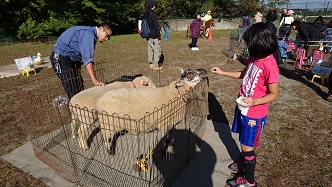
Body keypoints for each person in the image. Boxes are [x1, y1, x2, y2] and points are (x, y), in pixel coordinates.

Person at [211, 22, 279, 187]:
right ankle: (242, 162)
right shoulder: (253, 58)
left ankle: (249, 181)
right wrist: (222, 72)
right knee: (242, 139)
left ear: (260, 43)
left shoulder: (270, 65)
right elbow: (243, 75)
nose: (248, 46)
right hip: (243, 107)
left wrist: (255, 101)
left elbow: (274, 95)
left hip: (254, 114)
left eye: (250, 43)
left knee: (247, 146)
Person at [50, 22, 112, 100]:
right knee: (73, 88)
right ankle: (75, 109)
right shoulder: (88, 34)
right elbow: (87, 58)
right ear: (101, 29)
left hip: (72, 59)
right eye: (107, 36)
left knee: (79, 86)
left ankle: (81, 106)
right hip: (61, 58)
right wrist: (95, 80)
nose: (107, 39)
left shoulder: (89, 33)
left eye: (109, 37)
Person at [145, 0, 162, 71]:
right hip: (154, 35)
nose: (155, 6)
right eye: (154, 5)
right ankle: (155, 66)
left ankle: (150, 64)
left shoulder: (146, 14)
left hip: (147, 35)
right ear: (152, 6)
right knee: (157, 50)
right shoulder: (153, 15)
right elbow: (156, 27)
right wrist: (159, 37)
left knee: (150, 49)